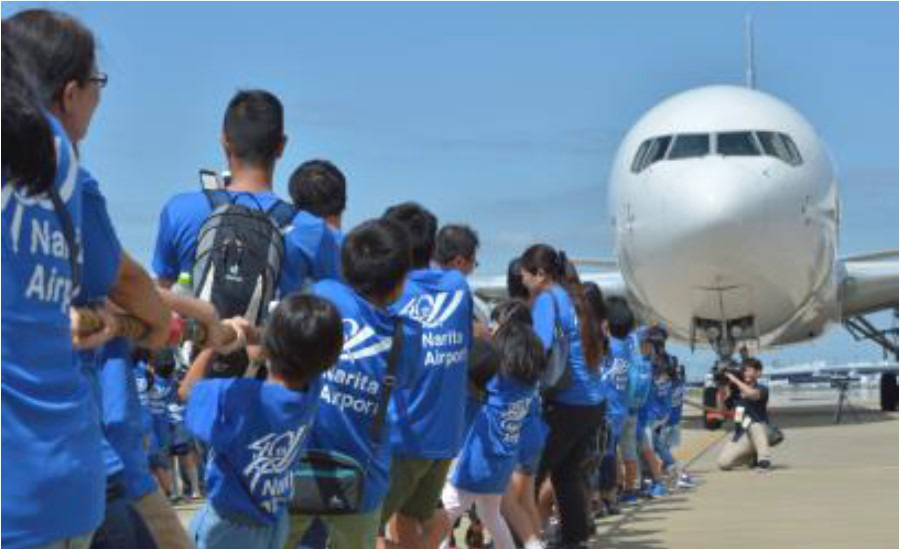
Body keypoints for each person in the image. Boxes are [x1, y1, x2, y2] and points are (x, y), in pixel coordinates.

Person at [3, 11, 171, 548]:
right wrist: (166, 319)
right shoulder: (65, 165)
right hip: (68, 477)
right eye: (97, 84)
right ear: (71, 93)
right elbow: (115, 276)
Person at [286, 219, 421, 549]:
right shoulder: (408, 335)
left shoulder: (323, 294)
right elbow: (404, 381)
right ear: (401, 281)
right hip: (363, 477)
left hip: (296, 462)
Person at [182, 294, 342, 549]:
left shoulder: (239, 397)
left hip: (227, 526)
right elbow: (301, 350)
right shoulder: (311, 390)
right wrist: (255, 337)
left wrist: (213, 345)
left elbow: (187, 391)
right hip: (274, 520)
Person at [379, 210, 476, 549]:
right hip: (445, 435)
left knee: (365, 525)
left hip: (405, 435)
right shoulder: (458, 288)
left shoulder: (394, 295)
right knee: (410, 518)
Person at [520, 244, 605, 548]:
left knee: (528, 477)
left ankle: (523, 538)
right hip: (593, 401)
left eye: (525, 275)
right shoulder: (575, 297)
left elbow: (539, 348)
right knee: (566, 473)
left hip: (567, 401)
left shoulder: (548, 299)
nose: (522, 280)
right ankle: (576, 538)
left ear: (540, 274)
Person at [439, 321, 546, 549]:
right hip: (503, 463)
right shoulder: (528, 385)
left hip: (476, 464)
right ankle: (535, 545)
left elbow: (475, 365)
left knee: (444, 515)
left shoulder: (497, 381)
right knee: (492, 516)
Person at [494, 300, 547, 549]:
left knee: (509, 503)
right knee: (527, 501)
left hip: (516, 433)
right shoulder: (534, 347)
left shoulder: (508, 350)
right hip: (534, 431)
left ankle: (531, 542)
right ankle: (537, 540)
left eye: (498, 321)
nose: (495, 327)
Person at [717, 358, 772, 471]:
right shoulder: (735, 393)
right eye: (743, 371)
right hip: (742, 436)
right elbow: (721, 411)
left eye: (748, 370)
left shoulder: (762, 389)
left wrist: (735, 380)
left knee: (754, 425)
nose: (745, 373)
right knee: (723, 463)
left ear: (758, 373)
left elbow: (752, 395)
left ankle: (764, 460)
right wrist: (722, 388)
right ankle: (751, 458)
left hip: (761, 432)